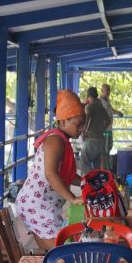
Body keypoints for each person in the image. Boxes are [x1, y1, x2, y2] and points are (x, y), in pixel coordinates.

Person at [16, 89, 85, 251]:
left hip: (42, 205)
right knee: (63, 252)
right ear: (63, 122)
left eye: (83, 125)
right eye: (78, 124)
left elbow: (65, 175)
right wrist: (73, 199)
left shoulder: (62, 139)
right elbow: (51, 174)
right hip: (37, 205)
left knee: (56, 253)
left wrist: (85, 181)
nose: (81, 129)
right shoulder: (55, 140)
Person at [80, 86, 112, 173]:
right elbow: (108, 120)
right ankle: (98, 182)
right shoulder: (100, 106)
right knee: (97, 165)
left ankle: (90, 181)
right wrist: (102, 130)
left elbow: (86, 122)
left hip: (91, 139)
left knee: (84, 161)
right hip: (100, 139)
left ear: (88, 96)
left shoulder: (89, 107)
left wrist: (83, 131)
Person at [99, 84, 123, 168]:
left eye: (109, 90)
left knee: (109, 147)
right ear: (102, 91)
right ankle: (104, 168)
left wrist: (117, 112)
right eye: (106, 91)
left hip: (109, 128)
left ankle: (108, 167)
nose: (108, 92)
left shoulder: (107, 100)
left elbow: (110, 109)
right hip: (104, 129)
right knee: (104, 150)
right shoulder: (99, 101)